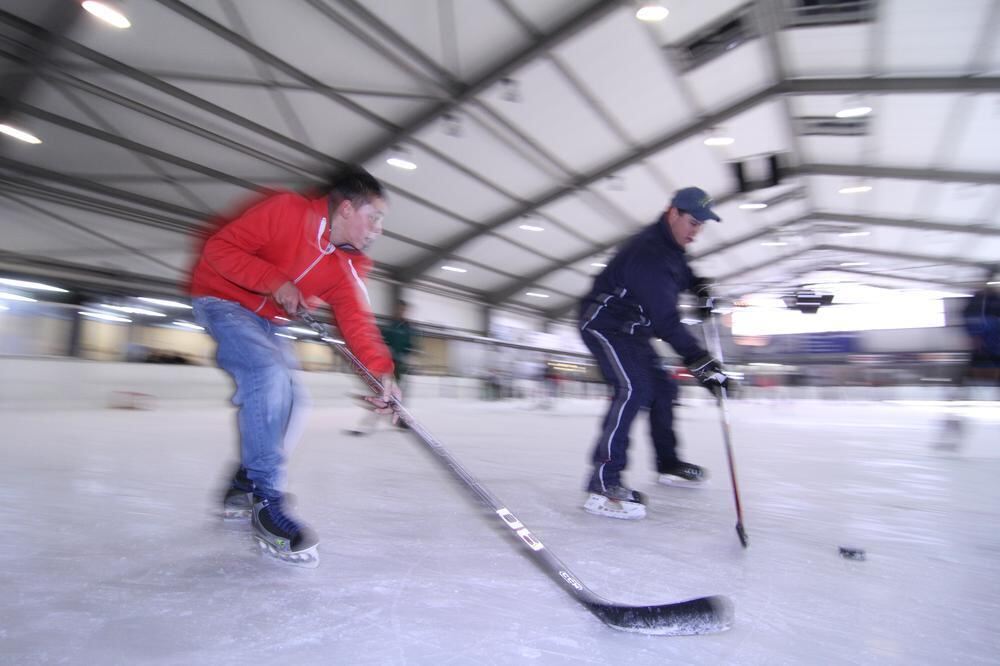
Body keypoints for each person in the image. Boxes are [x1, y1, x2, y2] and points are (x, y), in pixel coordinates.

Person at [188, 166, 400, 565]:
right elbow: (219, 250)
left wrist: (381, 375)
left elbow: (357, 322)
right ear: (348, 210)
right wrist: (274, 281)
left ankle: (243, 481)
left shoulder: (346, 267)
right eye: (374, 217)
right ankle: (266, 501)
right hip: (221, 299)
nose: (379, 229)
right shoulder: (287, 212)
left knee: (295, 402)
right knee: (267, 376)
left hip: (266, 320)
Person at [577, 186, 733, 520]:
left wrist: (700, 286)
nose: (696, 231)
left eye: (701, 225)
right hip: (605, 325)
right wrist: (700, 361)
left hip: (634, 331)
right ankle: (603, 485)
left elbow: (684, 272)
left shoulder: (672, 247)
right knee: (634, 389)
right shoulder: (649, 253)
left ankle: (668, 463)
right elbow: (666, 322)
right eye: (693, 222)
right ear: (672, 212)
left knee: (664, 389)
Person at [346, 298, 416, 435]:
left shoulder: (408, 328)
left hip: (400, 367)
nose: (400, 311)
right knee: (381, 395)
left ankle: (399, 420)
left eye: (403, 309)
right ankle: (366, 426)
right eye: (398, 308)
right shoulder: (391, 327)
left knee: (397, 397)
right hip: (387, 367)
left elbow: (410, 346)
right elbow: (380, 341)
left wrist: (408, 356)